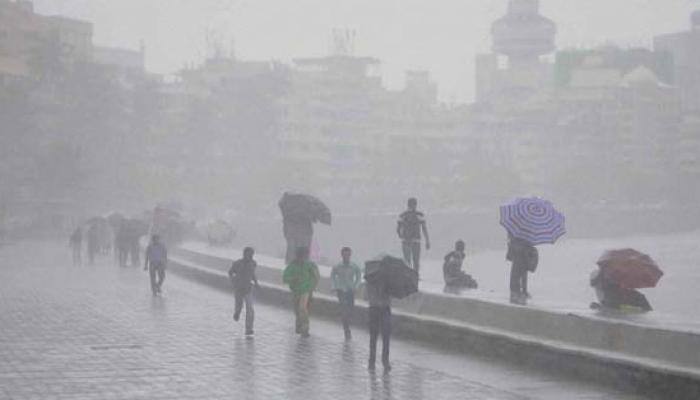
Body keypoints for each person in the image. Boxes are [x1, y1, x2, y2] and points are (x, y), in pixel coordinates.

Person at [283, 247, 320, 337]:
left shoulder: (310, 266)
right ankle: (299, 325)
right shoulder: (292, 266)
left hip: (305, 290)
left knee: (302, 308)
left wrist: (311, 287)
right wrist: (293, 280)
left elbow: (316, 277)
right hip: (295, 291)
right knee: (297, 309)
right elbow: (285, 277)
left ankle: (305, 328)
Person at [365, 263, 392, 372]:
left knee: (386, 336)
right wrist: (378, 297)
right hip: (375, 309)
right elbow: (368, 296)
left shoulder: (390, 283)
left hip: (385, 309)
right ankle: (372, 361)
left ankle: (385, 360)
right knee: (373, 336)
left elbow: (391, 297)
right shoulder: (370, 281)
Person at [331, 247, 362, 340]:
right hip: (341, 290)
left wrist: (356, 286)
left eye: (348, 255)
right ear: (342, 255)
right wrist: (334, 286)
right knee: (344, 310)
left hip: (350, 290)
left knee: (350, 309)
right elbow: (332, 276)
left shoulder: (354, 266)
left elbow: (359, 276)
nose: (346, 257)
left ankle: (347, 322)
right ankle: (346, 329)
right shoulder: (337, 266)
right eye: (344, 255)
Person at [229, 247, 260, 336]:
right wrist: (233, 281)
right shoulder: (237, 263)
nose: (250, 256)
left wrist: (256, 283)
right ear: (244, 254)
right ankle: (237, 313)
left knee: (250, 309)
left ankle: (249, 329)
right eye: (248, 254)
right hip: (238, 288)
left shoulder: (253, 264)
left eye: (251, 255)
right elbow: (230, 272)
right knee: (239, 305)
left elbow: (252, 274)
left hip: (248, 289)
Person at [397, 198, 430, 274]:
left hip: (405, 241)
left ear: (408, 205)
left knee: (407, 261)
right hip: (416, 241)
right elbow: (424, 229)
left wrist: (401, 236)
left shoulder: (402, 215)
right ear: (415, 205)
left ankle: (408, 276)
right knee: (416, 261)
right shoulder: (419, 215)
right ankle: (416, 276)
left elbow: (398, 230)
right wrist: (427, 241)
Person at [506, 234, 538, 305]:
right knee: (518, 273)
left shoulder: (517, 231)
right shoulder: (519, 233)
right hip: (520, 253)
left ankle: (518, 293)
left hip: (521, 252)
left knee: (518, 273)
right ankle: (516, 294)